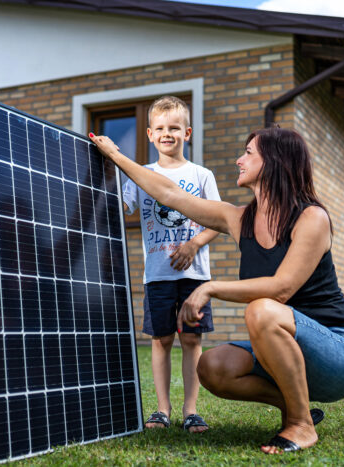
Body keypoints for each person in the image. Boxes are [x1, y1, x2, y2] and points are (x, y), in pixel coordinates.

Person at [89, 126, 344, 454]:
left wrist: (209, 288)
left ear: (275, 161)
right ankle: (299, 406)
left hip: (339, 353)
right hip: (286, 352)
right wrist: (115, 155)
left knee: (261, 309)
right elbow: (170, 195)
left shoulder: (311, 218)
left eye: (249, 152)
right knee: (211, 366)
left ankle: (301, 426)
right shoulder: (239, 219)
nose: (239, 160)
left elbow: (281, 289)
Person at [119, 96, 221, 433]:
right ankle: (162, 410)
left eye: (174, 128)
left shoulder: (201, 175)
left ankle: (190, 410)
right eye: (160, 128)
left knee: (191, 340)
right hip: (158, 276)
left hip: (195, 276)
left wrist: (193, 244)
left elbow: (217, 222)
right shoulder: (141, 175)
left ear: (187, 132)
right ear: (149, 134)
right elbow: (121, 207)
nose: (167, 133)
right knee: (161, 340)